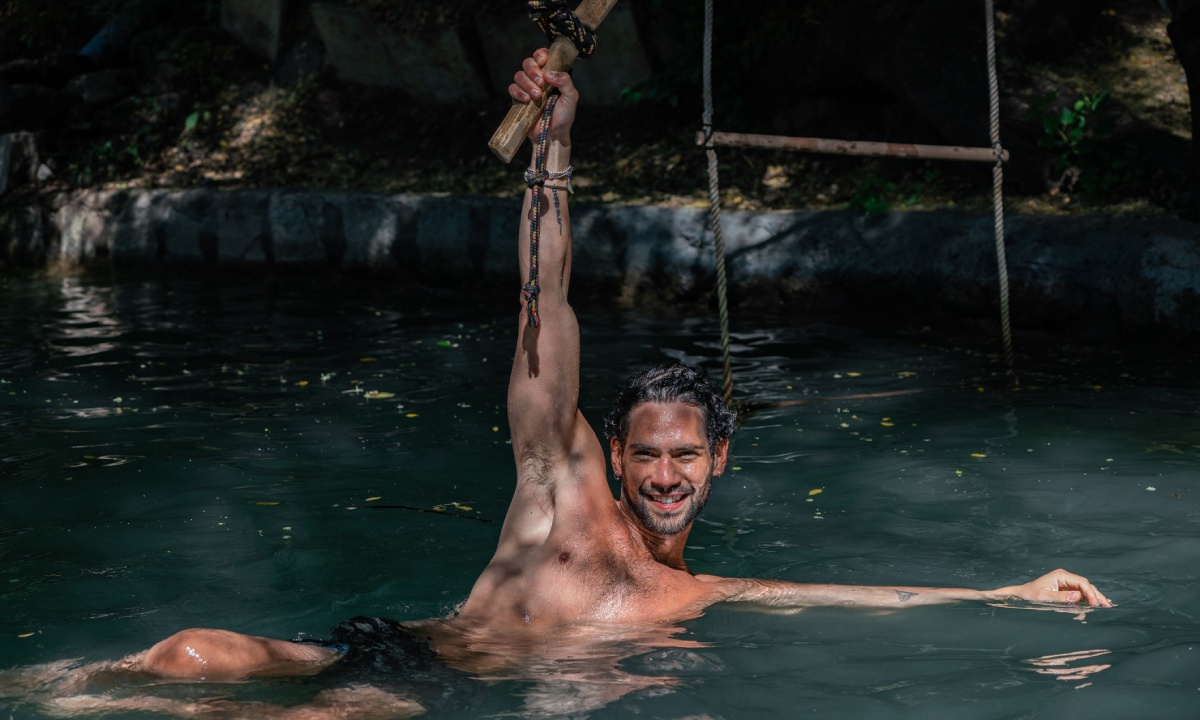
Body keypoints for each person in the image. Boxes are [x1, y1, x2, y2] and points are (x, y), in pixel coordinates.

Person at [6, 49, 1112, 718]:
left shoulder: (703, 596)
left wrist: (1009, 594)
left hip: (430, 690)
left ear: (718, 459)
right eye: (649, 453)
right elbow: (546, 301)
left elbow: (847, 600)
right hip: (404, 647)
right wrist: (554, 152)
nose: (668, 473)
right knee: (188, 656)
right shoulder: (561, 489)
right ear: (616, 457)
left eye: (687, 454)